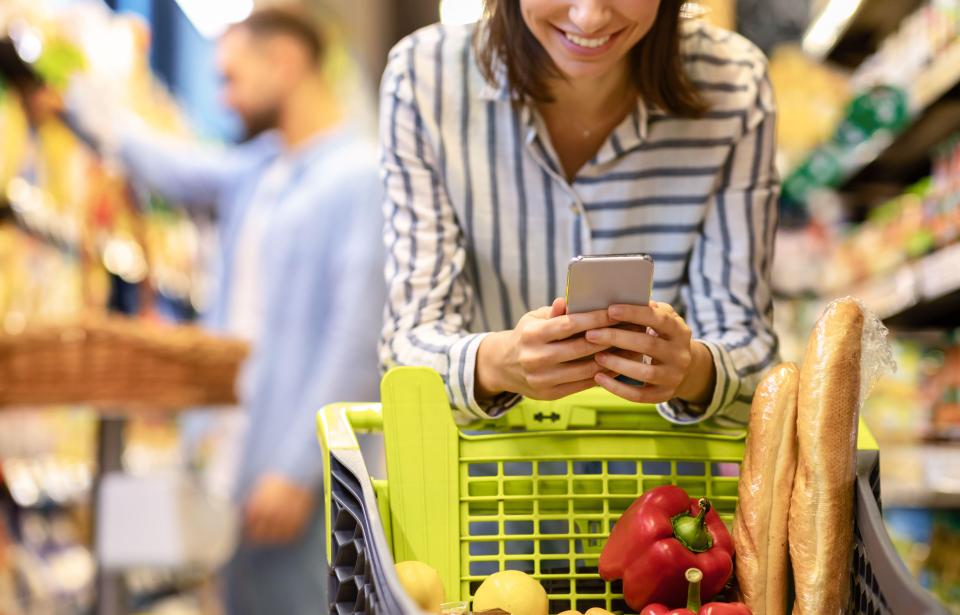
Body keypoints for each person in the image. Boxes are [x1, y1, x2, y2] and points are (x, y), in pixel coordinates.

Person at [47, 6, 383, 614]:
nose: (224, 99)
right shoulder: (260, 171)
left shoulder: (359, 175)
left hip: (301, 479)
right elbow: (172, 168)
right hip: (238, 468)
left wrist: (299, 468)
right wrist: (63, 79)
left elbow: (357, 338)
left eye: (232, 78)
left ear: (284, 62)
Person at [379, 0, 778, 426]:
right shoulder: (424, 75)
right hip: (482, 473)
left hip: (665, 475)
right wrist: (497, 363)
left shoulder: (734, 82)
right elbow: (405, 355)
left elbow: (756, 360)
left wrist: (692, 369)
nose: (589, 17)